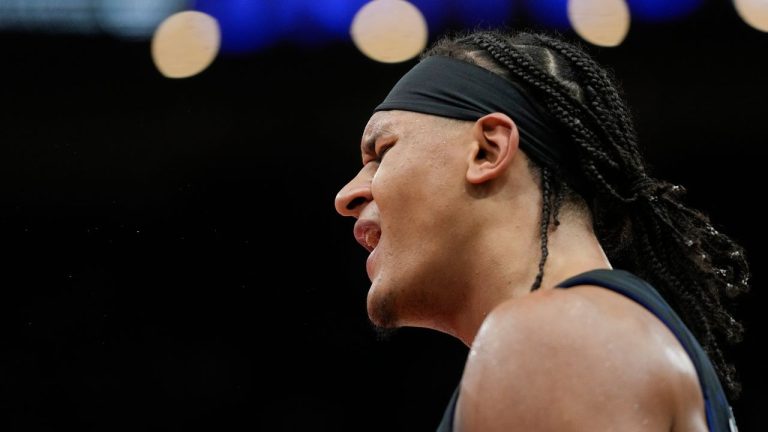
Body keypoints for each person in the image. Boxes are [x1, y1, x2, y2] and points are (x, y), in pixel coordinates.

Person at [334, 29, 749, 431]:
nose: (346, 195)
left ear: (487, 150)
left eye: (382, 152)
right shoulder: (606, 332)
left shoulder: (551, 337)